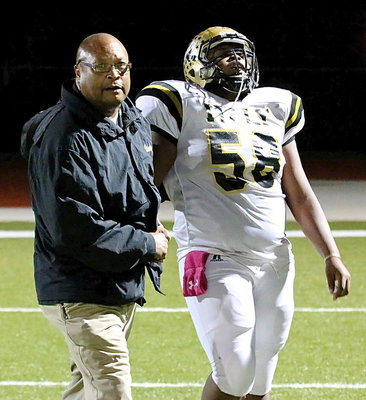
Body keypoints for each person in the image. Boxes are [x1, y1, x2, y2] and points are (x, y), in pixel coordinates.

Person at [135, 26, 351, 400]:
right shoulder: (178, 102)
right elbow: (147, 183)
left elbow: (297, 191)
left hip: (275, 258)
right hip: (211, 253)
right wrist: (141, 229)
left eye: (241, 52)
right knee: (234, 371)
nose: (237, 59)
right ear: (197, 62)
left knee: (260, 375)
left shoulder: (274, 105)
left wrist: (330, 253)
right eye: (224, 53)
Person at [20, 32, 170, 400]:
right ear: (78, 72)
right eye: (101, 68)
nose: (114, 76)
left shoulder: (129, 117)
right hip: (79, 289)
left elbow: (131, 188)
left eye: (121, 66)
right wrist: (146, 243)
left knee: (86, 389)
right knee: (112, 390)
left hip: (118, 282)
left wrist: (147, 224)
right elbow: (74, 229)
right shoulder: (64, 137)